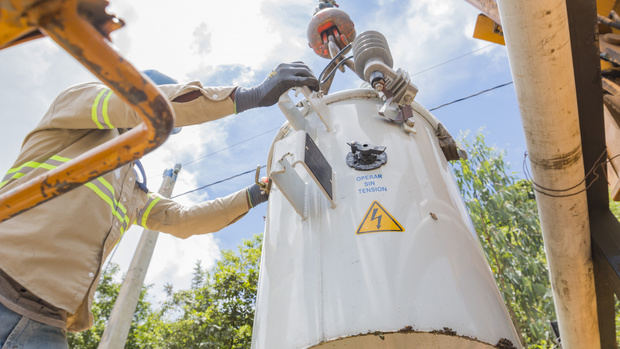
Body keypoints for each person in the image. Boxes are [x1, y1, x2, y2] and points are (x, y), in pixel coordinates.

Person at [0, 62, 318, 348]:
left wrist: (252, 195)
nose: (161, 135)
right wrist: (249, 96)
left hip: (44, 323)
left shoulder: (129, 189)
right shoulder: (75, 109)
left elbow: (181, 220)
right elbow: (146, 108)